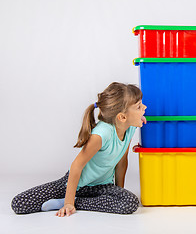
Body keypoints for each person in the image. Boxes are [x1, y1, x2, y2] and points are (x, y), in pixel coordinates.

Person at [11, 82, 147, 217]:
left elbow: (121, 162)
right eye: (139, 107)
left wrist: (118, 191)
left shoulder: (129, 128)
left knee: (130, 203)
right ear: (122, 117)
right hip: (76, 184)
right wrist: (68, 203)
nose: (144, 108)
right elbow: (77, 165)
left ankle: (79, 202)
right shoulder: (101, 134)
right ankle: (69, 200)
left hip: (101, 187)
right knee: (19, 204)